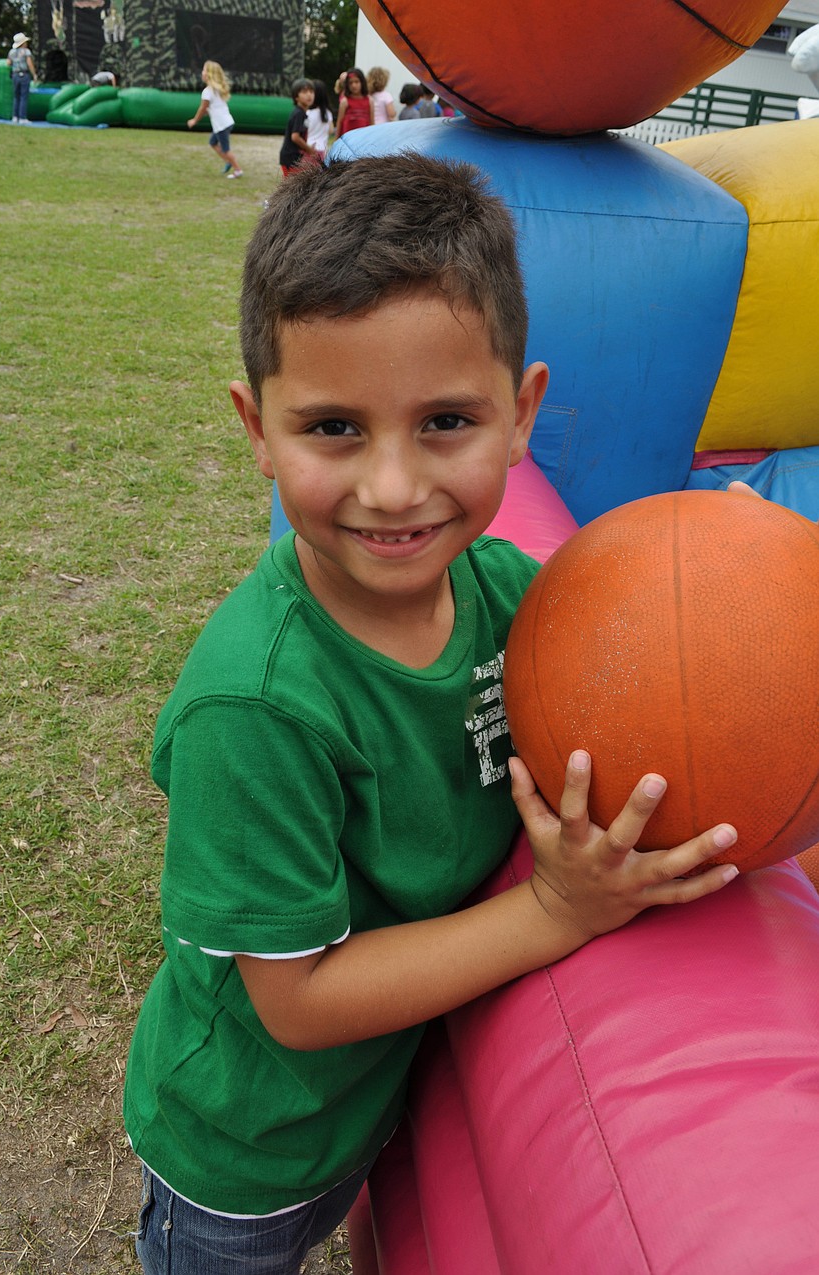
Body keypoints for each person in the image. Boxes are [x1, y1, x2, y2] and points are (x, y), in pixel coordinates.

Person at [124, 153, 741, 1275]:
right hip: (243, 1154)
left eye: (446, 420)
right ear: (256, 427)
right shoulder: (256, 706)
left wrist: (738, 575)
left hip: (370, 1111)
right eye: (334, 429)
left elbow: (654, 624)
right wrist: (555, 914)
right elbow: (298, 1002)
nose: (395, 488)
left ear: (523, 414)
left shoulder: (506, 594)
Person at [186, 60, 243, 179]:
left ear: (209, 74)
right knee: (213, 142)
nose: (202, 73)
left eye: (204, 70)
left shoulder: (207, 92)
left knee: (226, 149)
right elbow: (213, 107)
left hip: (222, 125)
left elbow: (203, 108)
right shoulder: (217, 90)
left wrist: (194, 120)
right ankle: (228, 162)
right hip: (225, 122)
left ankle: (237, 169)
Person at [279, 77, 318, 175]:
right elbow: (295, 137)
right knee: (292, 187)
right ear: (296, 97)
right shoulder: (299, 113)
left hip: (294, 156)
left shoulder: (302, 113)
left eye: (311, 92)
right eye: (304, 92)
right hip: (290, 157)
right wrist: (309, 149)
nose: (309, 95)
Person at [7, 32, 36, 125]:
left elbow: (8, 63)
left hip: (15, 75)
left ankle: (15, 117)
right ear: (23, 43)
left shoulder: (11, 52)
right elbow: (29, 64)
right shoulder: (26, 51)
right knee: (24, 96)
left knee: (16, 96)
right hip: (24, 74)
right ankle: (22, 117)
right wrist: (34, 74)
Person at [334, 66, 372, 138]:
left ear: (362, 82)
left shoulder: (369, 100)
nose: (354, 85)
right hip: (347, 139)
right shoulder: (345, 101)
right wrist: (336, 140)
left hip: (364, 139)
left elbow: (372, 122)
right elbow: (339, 122)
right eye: (350, 83)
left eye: (356, 82)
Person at [305, 79, 334, 161]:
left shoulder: (308, 113)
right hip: (322, 151)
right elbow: (331, 130)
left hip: (309, 148)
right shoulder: (328, 113)